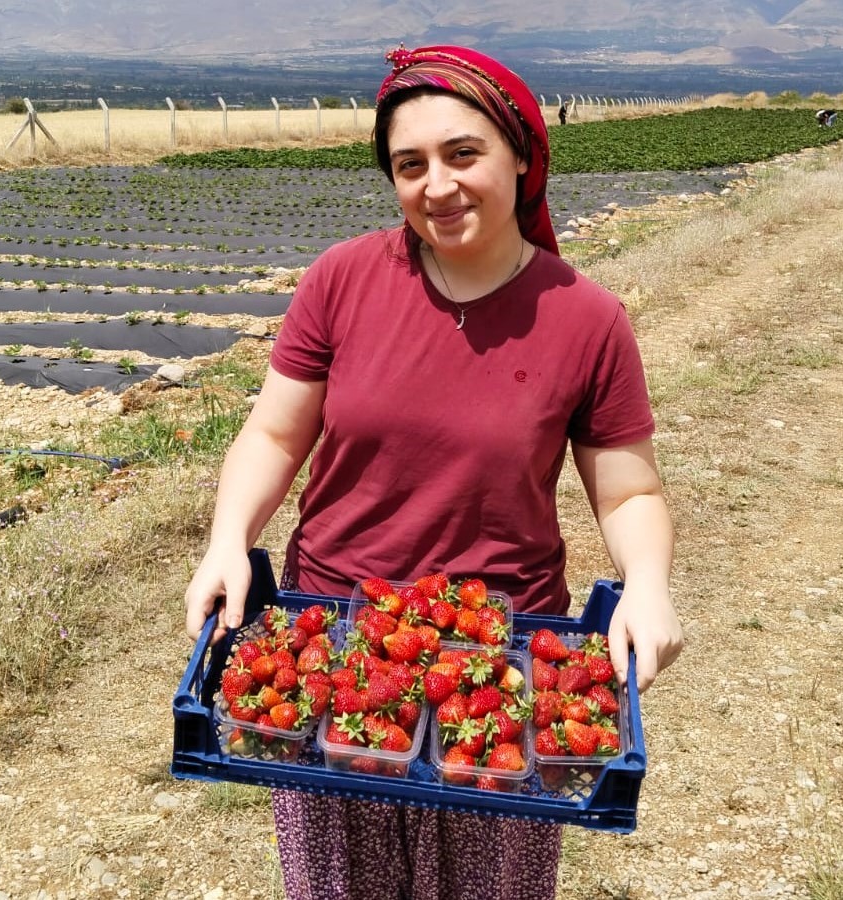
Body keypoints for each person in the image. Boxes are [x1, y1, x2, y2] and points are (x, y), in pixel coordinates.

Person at [184, 42, 683, 900]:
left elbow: (629, 486)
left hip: (506, 649)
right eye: (409, 165)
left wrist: (648, 582)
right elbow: (272, 434)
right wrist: (229, 540)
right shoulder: (342, 280)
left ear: (520, 156)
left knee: (488, 882)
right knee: (342, 880)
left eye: (463, 154)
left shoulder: (587, 318)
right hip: (334, 634)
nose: (437, 186)